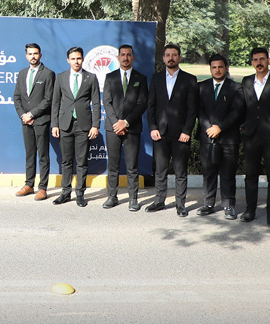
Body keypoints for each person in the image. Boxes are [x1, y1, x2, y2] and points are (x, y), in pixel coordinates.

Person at [146, 43, 198, 216]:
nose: (171, 58)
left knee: (180, 171)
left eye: (174, 55)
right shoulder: (156, 79)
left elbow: (192, 109)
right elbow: (151, 106)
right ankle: (159, 201)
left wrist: (187, 131)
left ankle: (180, 204)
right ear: (163, 58)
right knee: (160, 170)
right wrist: (153, 127)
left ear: (179, 57)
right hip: (160, 133)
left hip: (181, 134)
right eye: (167, 55)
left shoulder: (189, 79)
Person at [239, 46, 270, 226]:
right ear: (252, 62)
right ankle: (250, 210)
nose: (259, 62)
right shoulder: (246, 81)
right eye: (255, 60)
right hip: (250, 136)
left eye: (262, 59)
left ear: (268, 60)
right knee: (250, 175)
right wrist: (242, 126)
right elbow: (242, 106)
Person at [50, 46, 101, 207]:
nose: (76, 61)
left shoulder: (91, 77)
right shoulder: (61, 77)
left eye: (78, 58)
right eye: (73, 58)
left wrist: (95, 125)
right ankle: (65, 192)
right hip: (65, 124)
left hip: (83, 125)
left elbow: (96, 103)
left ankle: (80, 194)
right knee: (66, 161)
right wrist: (55, 124)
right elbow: (55, 103)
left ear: (83, 59)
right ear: (68, 60)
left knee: (81, 161)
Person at [195, 54, 243, 220]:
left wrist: (220, 127)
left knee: (228, 173)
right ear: (210, 69)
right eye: (214, 67)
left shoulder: (236, 88)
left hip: (228, 138)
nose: (217, 70)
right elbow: (199, 110)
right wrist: (210, 128)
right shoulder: (201, 87)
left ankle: (229, 206)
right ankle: (208, 204)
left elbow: (237, 111)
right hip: (207, 136)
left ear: (226, 68)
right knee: (208, 172)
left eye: (220, 67)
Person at [102, 44, 148, 212]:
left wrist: (126, 122)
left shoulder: (140, 78)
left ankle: (133, 199)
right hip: (113, 128)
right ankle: (112, 197)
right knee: (113, 165)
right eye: (123, 54)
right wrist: (117, 123)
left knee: (132, 166)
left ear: (133, 57)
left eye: (129, 55)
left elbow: (142, 104)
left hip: (132, 128)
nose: (126, 58)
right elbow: (106, 102)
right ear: (118, 57)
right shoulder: (110, 77)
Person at [12, 43, 56, 201]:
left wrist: (31, 114)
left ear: (40, 55)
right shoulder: (22, 73)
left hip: (41, 120)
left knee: (43, 155)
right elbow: (17, 97)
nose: (33, 56)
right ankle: (29, 185)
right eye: (30, 54)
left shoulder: (48, 74)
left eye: (35, 53)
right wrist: (23, 115)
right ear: (26, 56)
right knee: (29, 154)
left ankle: (42, 188)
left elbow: (48, 99)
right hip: (26, 121)